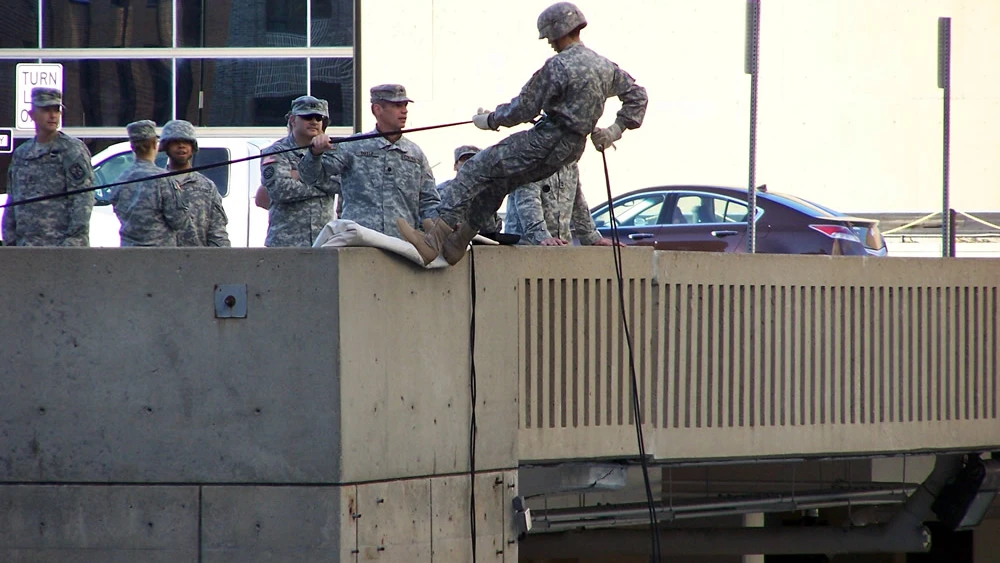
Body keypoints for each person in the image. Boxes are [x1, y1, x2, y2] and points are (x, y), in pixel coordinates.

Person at [393, 1, 647, 265]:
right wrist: (615, 130)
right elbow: (638, 96)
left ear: (560, 30)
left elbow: (524, 107)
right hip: (570, 151)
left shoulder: (559, 66)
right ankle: (458, 242)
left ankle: (433, 239)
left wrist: (490, 119)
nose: (549, 41)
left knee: (477, 168)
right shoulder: (605, 66)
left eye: (549, 35)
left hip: (546, 140)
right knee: (500, 183)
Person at [298, 84, 440, 240]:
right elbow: (311, 177)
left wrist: (431, 232)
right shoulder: (353, 146)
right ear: (377, 109)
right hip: (360, 243)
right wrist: (315, 153)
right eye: (397, 105)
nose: (404, 110)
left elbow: (429, 201)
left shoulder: (415, 154)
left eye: (405, 105)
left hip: (402, 246)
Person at [2, 87, 95, 246]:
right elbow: (13, 200)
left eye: (56, 110)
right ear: (32, 115)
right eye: (46, 110)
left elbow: (83, 198)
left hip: (60, 248)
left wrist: (73, 241)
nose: (53, 115)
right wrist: (10, 241)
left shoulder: (71, 150)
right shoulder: (22, 154)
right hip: (26, 247)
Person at [261, 95, 339, 247]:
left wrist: (299, 175)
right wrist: (322, 185)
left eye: (319, 117)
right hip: (286, 243)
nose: (314, 121)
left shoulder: (331, 152)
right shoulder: (276, 152)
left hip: (323, 243)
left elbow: (340, 184)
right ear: (293, 120)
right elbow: (279, 189)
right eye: (307, 116)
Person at [110, 120, 190, 246]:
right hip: (159, 255)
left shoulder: (120, 180)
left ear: (132, 147)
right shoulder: (164, 179)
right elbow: (180, 221)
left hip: (129, 254)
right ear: (154, 144)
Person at [504, 162, 616, 246]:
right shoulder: (531, 162)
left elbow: (578, 203)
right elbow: (528, 202)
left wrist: (593, 238)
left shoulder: (571, 165)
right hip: (527, 251)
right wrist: (542, 237)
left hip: (562, 249)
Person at [160, 119, 231, 247]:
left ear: (193, 147)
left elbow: (217, 231)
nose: (181, 146)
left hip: (197, 260)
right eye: (176, 142)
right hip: (163, 259)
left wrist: (221, 260)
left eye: (186, 142)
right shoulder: (156, 184)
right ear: (166, 147)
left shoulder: (207, 187)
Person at [437, 145, 502, 235]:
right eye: (465, 159)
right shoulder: (440, 191)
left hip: (482, 245)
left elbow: (495, 225)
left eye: (474, 159)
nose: (469, 163)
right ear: (455, 166)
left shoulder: (489, 193)